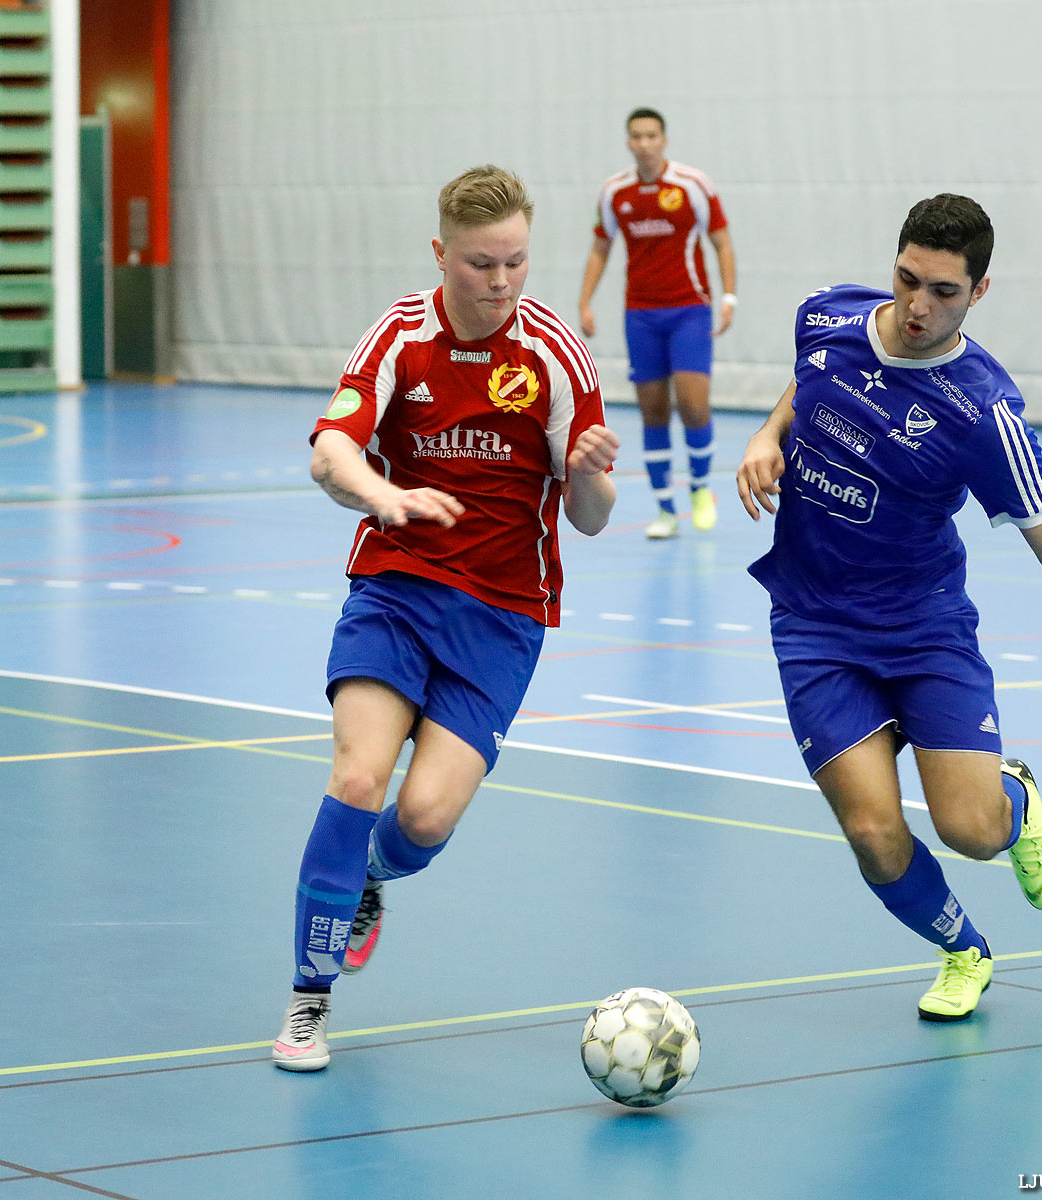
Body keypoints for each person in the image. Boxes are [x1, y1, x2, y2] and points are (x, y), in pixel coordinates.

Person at [734, 194, 1042, 1022]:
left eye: (945, 292)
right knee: (871, 832)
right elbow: (806, 378)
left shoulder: (985, 415)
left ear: (980, 291)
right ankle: (963, 948)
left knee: (971, 829)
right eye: (908, 280)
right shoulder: (826, 315)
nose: (920, 306)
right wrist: (767, 436)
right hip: (813, 625)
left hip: (923, 632)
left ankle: (1017, 798)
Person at [272, 165, 619, 1070]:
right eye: (480, 265)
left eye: (515, 263)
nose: (500, 283)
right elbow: (331, 452)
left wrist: (586, 471)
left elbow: (590, 516)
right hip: (396, 587)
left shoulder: (554, 356)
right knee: (357, 779)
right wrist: (385, 497)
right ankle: (308, 1001)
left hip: (503, 614)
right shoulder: (400, 336)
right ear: (441, 255)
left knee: (422, 819)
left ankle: (371, 880)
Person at [580, 106, 737, 540]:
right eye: (637, 136)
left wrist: (728, 296)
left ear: (663, 140)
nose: (644, 143)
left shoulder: (692, 185)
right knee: (652, 412)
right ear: (629, 142)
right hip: (641, 315)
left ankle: (701, 491)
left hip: (689, 309)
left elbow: (721, 242)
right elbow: (600, 249)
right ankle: (665, 509)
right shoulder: (615, 193)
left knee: (692, 405)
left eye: (652, 136)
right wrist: (585, 302)